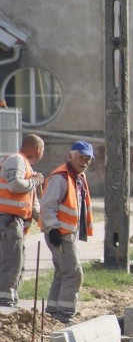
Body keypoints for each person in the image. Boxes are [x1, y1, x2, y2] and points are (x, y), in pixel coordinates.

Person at [40, 141, 95, 323]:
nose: (84, 162)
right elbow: (47, 206)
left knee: (62, 273)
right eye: (81, 157)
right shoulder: (61, 177)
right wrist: (53, 228)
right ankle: (64, 315)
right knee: (73, 274)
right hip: (60, 233)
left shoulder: (77, 177)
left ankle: (53, 313)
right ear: (71, 155)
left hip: (67, 232)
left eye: (88, 159)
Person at [0, 135, 45, 307]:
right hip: (7, 221)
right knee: (11, 263)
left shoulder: (27, 168)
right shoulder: (16, 161)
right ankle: (4, 304)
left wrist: (45, 222)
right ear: (37, 149)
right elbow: (15, 185)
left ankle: (10, 301)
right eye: (43, 150)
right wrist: (34, 181)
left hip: (13, 223)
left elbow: (31, 203)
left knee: (17, 263)